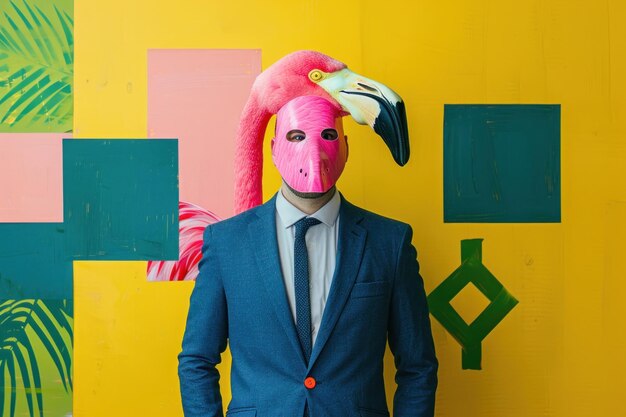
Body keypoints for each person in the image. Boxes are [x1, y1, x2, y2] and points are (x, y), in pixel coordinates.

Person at [178, 95, 438, 417]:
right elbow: (197, 360)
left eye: (328, 136)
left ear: (345, 147)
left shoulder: (390, 242)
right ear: (273, 148)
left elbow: (418, 366)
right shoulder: (227, 242)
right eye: (296, 136)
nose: (312, 151)